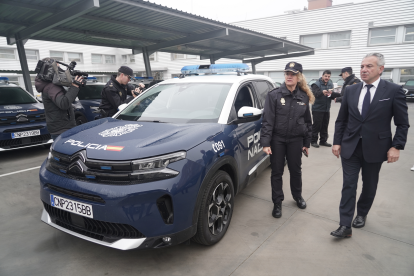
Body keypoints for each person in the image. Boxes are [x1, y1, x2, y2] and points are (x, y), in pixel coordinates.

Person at [330, 53, 409, 238]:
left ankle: (362, 213)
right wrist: (336, 142)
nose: (364, 70)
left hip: (376, 147)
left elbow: (402, 123)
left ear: (380, 69)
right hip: (351, 146)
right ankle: (345, 225)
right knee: (348, 185)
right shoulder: (350, 90)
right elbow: (342, 120)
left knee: (369, 185)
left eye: (369, 66)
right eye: (362, 66)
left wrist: (396, 146)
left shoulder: (393, 91)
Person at [260, 61, 315, 218]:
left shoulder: (303, 97)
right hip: (277, 140)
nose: (289, 76)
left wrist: (306, 143)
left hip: (296, 140)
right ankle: (277, 202)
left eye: (293, 74)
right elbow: (268, 121)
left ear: (299, 77)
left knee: (296, 171)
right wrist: (266, 142)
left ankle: (297, 196)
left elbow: (307, 122)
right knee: (277, 172)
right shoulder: (274, 95)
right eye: (287, 74)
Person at [35, 57, 82, 140]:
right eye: (57, 67)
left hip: (60, 127)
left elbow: (66, 99)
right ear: (50, 69)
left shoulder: (50, 85)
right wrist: (75, 86)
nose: (59, 69)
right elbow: (64, 103)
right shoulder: (51, 87)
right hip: (62, 129)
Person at [310, 70, 340, 148]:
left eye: (329, 76)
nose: (327, 78)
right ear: (322, 76)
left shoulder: (330, 84)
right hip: (317, 109)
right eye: (326, 76)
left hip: (326, 109)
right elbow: (315, 94)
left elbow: (331, 96)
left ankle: (323, 141)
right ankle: (313, 141)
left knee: (325, 125)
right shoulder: (316, 84)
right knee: (317, 125)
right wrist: (322, 93)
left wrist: (333, 95)